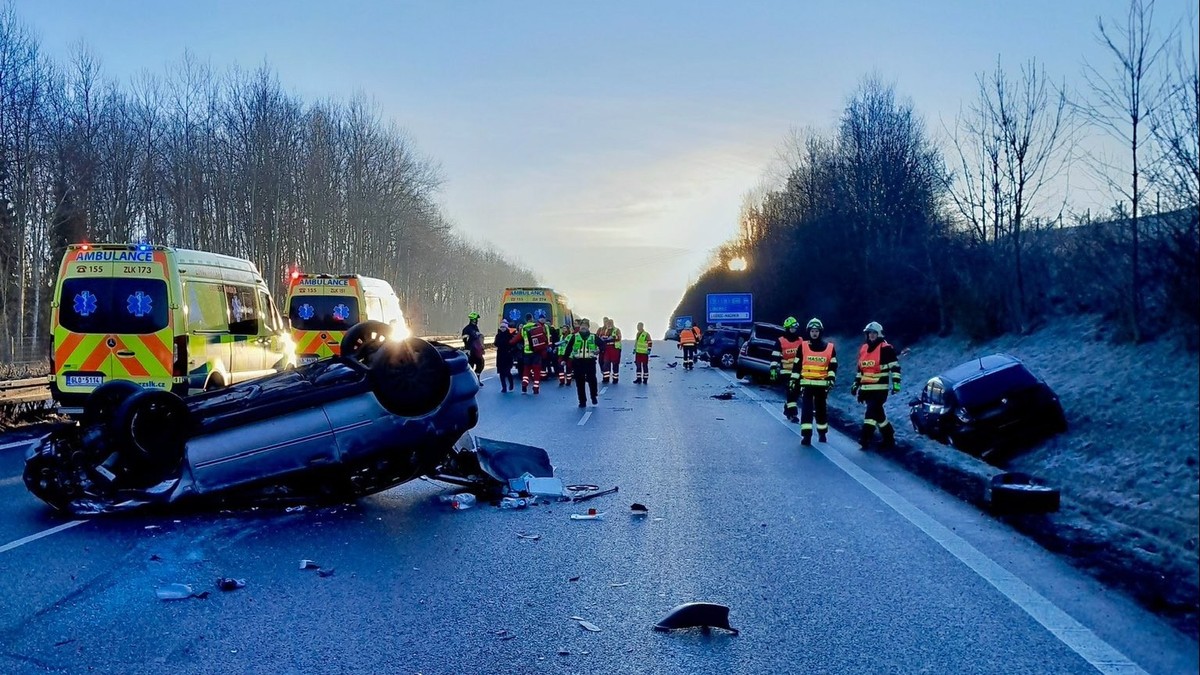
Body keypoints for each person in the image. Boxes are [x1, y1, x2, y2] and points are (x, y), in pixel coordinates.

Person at [851, 321, 901, 449]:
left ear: (879, 333)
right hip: (866, 389)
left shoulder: (886, 348)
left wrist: (896, 384)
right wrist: (856, 385)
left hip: (880, 389)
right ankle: (889, 438)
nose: (871, 335)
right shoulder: (864, 349)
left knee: (870, 414)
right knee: (879, 415)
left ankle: (865, 439)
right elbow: (860, 370)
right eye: (869, 333)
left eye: (874, 333)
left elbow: (895, 368)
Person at [795, 318, 837, 445]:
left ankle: (822, 434)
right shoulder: (802, 347)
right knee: (806, 411)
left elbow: (833, 366)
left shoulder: (830, 348)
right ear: (809, 332)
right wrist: (793, 380)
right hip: (807, 385)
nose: (814, 333)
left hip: (822, 386)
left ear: (820, 332)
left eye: (816, 331)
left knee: (821, 410)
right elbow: (797, 366)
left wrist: (830, 378)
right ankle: (806, 436)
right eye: (812, 331)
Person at [770, 317, 805, 422]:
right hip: (786, 372)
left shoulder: (800, 340)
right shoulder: (781, 341)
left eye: (795, 328)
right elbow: (775, 356)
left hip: (799, 372)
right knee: (791, 392)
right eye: (792, 328)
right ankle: (793, 415)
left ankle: (787, 407)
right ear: (787, 328)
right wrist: (773, 369)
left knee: (796, 393)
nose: (794, 330)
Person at [564, 318, 601, 407]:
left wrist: (599, 350)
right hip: (578, 362)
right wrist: (564, 360)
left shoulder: (593, 337)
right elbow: (568, 348)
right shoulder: (575, 336)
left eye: (585, 326)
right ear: (580, 327)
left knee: (592, 381)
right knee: (579, 383)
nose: (583, 327)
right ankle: (582, 401)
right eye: (582, 326)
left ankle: (593, 396)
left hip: (590, 362)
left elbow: (602, 346)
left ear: (588, 327)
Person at [520, 313, 550, 394]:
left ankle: (524, 383)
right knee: (536, 371)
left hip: (527, 352)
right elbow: (544, 338)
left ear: (525, 319)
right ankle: (536, 387)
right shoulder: (537, 326)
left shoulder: (523, 328)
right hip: (537, 352)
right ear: (532, 318)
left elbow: (521, 337)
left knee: (526, 370)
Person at [461, 312, 485, 385]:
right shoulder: (467, 329)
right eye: (476, 319)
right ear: (473, 320)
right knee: (470, 366)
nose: (477, 321)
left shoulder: (475, 328)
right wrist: (467, 348)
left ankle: (477, 379)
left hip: (476, 350)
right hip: (470, 350)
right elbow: (465, 339)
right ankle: (469, 381)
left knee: (480, 364)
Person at [493, 320, 517, 392]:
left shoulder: (509, 335)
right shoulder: (498, 335)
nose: (502, 328)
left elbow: (513, 344)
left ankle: (511, 383)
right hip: (500, 355)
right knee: (501, 373)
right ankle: (504, 387)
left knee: (507, 372)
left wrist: (510, 351)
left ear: (506, 328)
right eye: (501, 327)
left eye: (504, 327)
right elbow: (496, 343)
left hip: (507, 356)